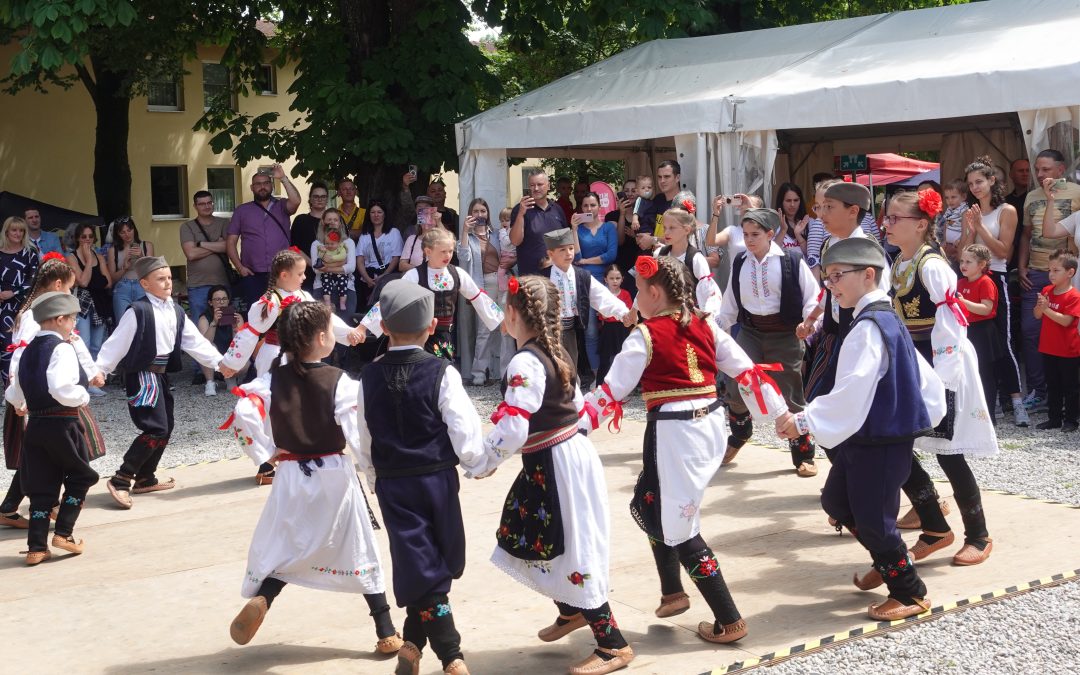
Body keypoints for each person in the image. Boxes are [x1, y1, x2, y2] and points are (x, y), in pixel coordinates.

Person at [582, 255, 786, 644]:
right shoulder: (705, 324)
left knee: (681, 526)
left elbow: (611, 391)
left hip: (676, 433)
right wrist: (779, 414)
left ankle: (730, 618)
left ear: (654, 293)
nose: (634, 298)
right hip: (705, 424)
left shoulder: (644, 335)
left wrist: (574, 431)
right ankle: (672, 591)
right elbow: (747, 371)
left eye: (638, 291)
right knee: (647, 501)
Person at [776, 236, 944, 621]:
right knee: (837, 503)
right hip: (868, 438)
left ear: (868, 275)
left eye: (837, 276)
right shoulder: (880, 319)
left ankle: (909, 592)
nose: (831, 285)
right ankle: (889, 562)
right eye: (828, 277)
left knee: (874, 520)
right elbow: (923, 380)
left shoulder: (870, 327)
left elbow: (851, 392)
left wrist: (802, 421)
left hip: (879, 441)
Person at [223, 301, 401, 654]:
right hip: (334, 474)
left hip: (290, 473)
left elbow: (244, 411)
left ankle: (264, 598)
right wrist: (373, 475)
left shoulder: (270, 380)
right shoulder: (340, 382)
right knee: (358, 544)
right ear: (322, 338)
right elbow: (359, 434)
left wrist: (264, 454)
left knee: (289, 543)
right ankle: (385, 628)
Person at [481, 274, 634, 675]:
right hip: (562, 458)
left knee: (572, 547)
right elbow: (581, 413)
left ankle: (612, 645)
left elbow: (515, 425)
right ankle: (570, 609)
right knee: (533, 535)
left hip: (555, 464)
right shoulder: (558, 353)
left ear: (513, 314)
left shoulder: (525, 360)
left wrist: (482, 461)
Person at [355, 280, 485, 675]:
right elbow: (464, 429)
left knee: (423, 564)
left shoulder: (368, 376)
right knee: (428, 566)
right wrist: (477, 462)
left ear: (386, 329)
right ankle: (452, 655)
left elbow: (362, 437)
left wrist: (375, 476)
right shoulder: (442, 372)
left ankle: (411, 645)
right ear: (432, 328)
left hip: (395, 483)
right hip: (437, 481)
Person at [883, 190, 998, 567]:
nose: (887, 224)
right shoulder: (901, 260)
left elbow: (951, 323)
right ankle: (931, 520)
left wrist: (942, 379)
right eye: (887, 217)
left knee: (950, 453)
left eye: (894, 218)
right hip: (918, 364)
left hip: (942, 365)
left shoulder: (931, 265)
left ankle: (978, 536)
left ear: (920, 224)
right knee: (899, 444)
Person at [95, 257, 236, 509]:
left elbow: (195, 342)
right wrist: (101, 370)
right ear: (145, 284)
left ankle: (145, 477)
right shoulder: (137, 311)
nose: (168, 282)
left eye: (169, 277)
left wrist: (220, 363)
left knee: (166, 426)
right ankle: (121, 479)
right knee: (155, 427)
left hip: (160, 374)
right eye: (161, 279)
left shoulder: (176, 310)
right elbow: (116, 343)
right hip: (141, 375)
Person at [221, 248, 365, 482]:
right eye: (300, 273)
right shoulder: (267, 303)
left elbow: (325, 320)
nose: (304, 277)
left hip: (302, 354)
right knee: (271, 405)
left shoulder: (304, 297)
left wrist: (348, 334)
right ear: (284, 275)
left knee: (303, 403)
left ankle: (303, 446)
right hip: (275, 354)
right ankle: (266, 460)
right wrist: (231, 363)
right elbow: (250, 332)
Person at [1, 254, 104, 530]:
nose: (70, 293)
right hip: (44, 398)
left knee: (43, 452)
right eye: (69, 288)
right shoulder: (38, 316)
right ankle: (42, 506)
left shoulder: (53, 314)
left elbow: (74, 342)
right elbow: (19, 357)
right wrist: (19, 399)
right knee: (49, 452)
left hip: (53, 393)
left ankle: (19, 506)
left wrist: (91, 370)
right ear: (58, 284)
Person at [718, 208, 820, 476]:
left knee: (790, 392)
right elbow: (729, 300)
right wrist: (716, 330)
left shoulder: (791, 260)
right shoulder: (741, 261)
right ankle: (740, 433)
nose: (749, 240)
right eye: (746, 235)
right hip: (750, 332)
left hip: (786, 333)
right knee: (736, 381)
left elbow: (813, 297)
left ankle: (804, 455)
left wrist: (808, 325)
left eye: (755, 234)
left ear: (770, 234)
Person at [799, 182, 890, 408]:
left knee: (854, 402)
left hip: (858, 333)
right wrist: (812, 318)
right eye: (820, 208)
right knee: (818, 400)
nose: (821, 215)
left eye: (829, 207)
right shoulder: (829, 243)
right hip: (833, 333)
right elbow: (828, 291)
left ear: (853, 211)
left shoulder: (868, 249)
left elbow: (882, 294)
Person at [361, 228, 503, 362]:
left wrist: (502, 321)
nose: (448, 256)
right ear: (428, 251)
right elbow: (390, 300)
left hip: (445, 336)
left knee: (442, 372)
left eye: (450, 251)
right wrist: (363, 327)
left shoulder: (457, 273)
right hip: (416, 337)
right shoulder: (414, 274)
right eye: (443, 252)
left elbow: (479, 298)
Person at [957, 156, 1026, 426]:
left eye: (979, 182)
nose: (975, 187)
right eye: (971, 183)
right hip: (969, 278)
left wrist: (980, 227)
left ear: (991, 181)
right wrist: (967, 230)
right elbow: (962, 251)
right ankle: (987, 400)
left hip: (995, 276)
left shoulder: (1006, 210)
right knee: (975, 342)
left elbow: (1003, 252)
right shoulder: (968, 211)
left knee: (1004, 341)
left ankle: (1017, 400)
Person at [1018, 150, 1080, 413]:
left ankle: (1070, 397)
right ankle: (1042, 393)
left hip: (1069, 276)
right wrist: (1021, 266)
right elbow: (1035, 233)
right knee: (1033, 331)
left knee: (1070, 333)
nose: (1040, 174)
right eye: (1038, 169)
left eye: (1046, 169)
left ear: (1061, 169)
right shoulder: (1033, 197)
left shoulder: (1077, 192)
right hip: (1040, 272)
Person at [540, 228, 630, 389]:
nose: (568, 253)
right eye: (562, 250)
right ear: (551, 253)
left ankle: (570, 403)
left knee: (570, 367)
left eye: (571, 248)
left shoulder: (581, 275)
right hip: (547, 331)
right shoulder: (542, 277)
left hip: (570, 330)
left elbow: (601, 296)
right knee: (548, 367)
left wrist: (623, 312)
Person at [227, 165, 301, 308]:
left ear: (272, 186)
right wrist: (240, 267)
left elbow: (296, 201)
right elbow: (230, 243)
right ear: (252, 188)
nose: (262, 187)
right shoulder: (242, 210)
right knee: (256, 315)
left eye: (266, 183)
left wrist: (283, 178)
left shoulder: (282, 205)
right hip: (252, 274)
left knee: (284, 313)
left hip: (281, 272)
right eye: (258, 184)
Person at [956, 245, 1005, 424]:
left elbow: (986, 309)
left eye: (969, 262)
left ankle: (988, 417)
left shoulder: (985, 282)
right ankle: (970, 416)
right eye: (962, 261)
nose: (963, 265)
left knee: (985, 376)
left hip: (983, 332)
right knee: (967, 375)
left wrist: (963, 302)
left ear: (982, 264)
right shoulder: (961, 282)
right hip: (966, 330)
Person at [457, 198, 503, 385]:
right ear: (470, 214)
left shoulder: (498, 234)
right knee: (484, 330)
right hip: (482, 285)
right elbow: (463, 256)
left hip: (501, 282)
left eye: (483, 211)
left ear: (488, 213)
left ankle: (500, 371)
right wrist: (465, 232)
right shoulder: (469, 236)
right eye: (475, 211)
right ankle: (478, 373)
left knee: (503, 329)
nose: (479, 215)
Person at [572, 192, 618, 377]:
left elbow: (611, 255)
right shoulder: (579, 230)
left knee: (611, 328)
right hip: (585, 282)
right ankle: (596, 372)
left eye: (592, 205)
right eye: (585, 206)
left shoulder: (608, 228)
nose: (589, 209)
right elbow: (576, 257)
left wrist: (585, 261)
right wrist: (573, 230)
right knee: (590, 331)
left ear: (599, 207)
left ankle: (613, 372)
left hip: (608, 282)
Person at [1034, 249, 1080, 431]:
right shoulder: (1047, 291)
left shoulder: (1074, 296)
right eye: (1049, 270)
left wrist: (1046, 309)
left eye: (1056, 270)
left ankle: (1071, 420)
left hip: (1068, 349)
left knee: (1070, 387)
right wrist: (1041, 307)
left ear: (1070, 272)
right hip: (1048, 347)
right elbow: (1037, 315)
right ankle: (1054, 418)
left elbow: (1067, 321)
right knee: (1052, 385)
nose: (1051, 274)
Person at [65, 223, 109, 395]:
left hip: (99, 303)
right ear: (77, 238)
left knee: (97, 344)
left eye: (90, 236)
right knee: (84, 343)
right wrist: (90, 261)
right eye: (84, 237)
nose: (87, 240)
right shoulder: (71, 258)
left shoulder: (100, 257)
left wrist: (94, 279)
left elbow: (108, 282)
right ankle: (84, 381)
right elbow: (82, 282)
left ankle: (94, 379)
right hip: (81, 304)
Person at [180, 191, 231, 329]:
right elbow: (191, 254)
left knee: (225, 324)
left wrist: (201, 244)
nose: (206, 206)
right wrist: (217, 244)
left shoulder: (224, 223)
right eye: (202, 204)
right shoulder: (187, 226)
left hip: (222, 283)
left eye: (209, 203)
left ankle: (226, 351)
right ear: (195, 206)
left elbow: (228, 247)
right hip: (198, 285)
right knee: (201, 326)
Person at [509, 172, 571, 275]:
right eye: (532, 185)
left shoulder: (557, 209)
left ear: (548, 186)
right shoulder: (520, 209)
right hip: (531, 277)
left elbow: (564, 243)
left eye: (540, 184)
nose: (536, 188)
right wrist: (521, 214)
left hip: (557, 274)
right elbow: (515, 241)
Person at [0, 217, 39, 380]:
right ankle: (8, 390)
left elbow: (35, 279)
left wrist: (14, 292)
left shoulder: (30, 253)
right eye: (14, 230)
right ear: (6, 231)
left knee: (21, 346)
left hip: (23, 306)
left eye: (21, 230)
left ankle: (21, 388)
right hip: (2, 306)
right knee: (4, 347)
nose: (18, 233)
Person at [197, 285, 246, 396]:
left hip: (230, 354)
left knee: (245, 360)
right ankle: (210, 382)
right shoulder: (204, 318)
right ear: (210, 302)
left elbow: (241, 344)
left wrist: (235, 327)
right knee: (208, 347)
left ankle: (230, 377)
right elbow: (203, 343)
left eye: (224, 299)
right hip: (214, 356)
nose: (221, 302)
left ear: (228, 301)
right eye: (217, 299)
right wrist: (214, 322)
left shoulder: (237, 317)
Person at [355, 199, 403, 310]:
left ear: (384, 214)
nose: (376, 215)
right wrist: (367, 278)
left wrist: (384, 275)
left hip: (387, 276)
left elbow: (396, 257)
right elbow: (360, 260)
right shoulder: (364, 235)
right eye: (373, 212)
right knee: (368, 310)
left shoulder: (394, 233)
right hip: (367, 278)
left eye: (379, 212)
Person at [310, 209, 357, 317]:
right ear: (323, 222)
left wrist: (326, 268)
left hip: (347, 289)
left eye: (335, 220)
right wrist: (342, 263)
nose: (332, 222)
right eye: (329, 219)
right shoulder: (317, 244)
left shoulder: (348, 242)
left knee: (346, 327)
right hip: (321, 288)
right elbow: (316, 269)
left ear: (340, 223)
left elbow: (351, 267)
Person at [106, 216, 153, 322]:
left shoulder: (146, 245)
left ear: (134, 229)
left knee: (144, 324)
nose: (127, 234)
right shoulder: (113, 250)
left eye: (129, 230)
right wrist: (124, 268)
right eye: (122, 232)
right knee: (124, 325)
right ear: (117, 234)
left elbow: (152, 272)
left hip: (142, 285)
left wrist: (141, 256)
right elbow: (112, 278)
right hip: (122, 288)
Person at [596, 265, 632, 385]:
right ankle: (600, 384)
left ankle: (623, 384)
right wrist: (607, 316)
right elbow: (601, 315)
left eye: (617, 278)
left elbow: (628, 312)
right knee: (605, 358)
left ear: (622, 279)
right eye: (611, 278)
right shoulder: (603, 294)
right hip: (608, 329)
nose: (615, 281)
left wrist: (609, 315)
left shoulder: (625, 294)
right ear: (606, 279)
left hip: (622, 330)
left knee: (622, 356)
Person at [291, 182, 329, 292]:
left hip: (332, 273)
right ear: (310, 199)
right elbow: (294, 248)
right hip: (306, 274)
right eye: (316, 196)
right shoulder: (301, 220)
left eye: (323, 196)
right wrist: (314, 264)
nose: (320, 199)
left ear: (327, 199)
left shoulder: (335, 220)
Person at [399, 194, 439, 274]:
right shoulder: (411, 237)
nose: (424, 211)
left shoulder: (441, 239)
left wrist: (439, 222)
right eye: (420, 208)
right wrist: (421, 270)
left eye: (427, 208)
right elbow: (401, 266)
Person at [937, 180, 970, 266]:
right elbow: (946, 225)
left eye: (953, 197)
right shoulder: (949, 210)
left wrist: (960, 242)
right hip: (948, 244)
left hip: (958, 244)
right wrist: (944, 240)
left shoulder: (964, 210)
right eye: (947, 198)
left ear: (963, 197)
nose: (949, 200)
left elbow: (966, 230)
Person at [774, 182, 809, 251]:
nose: (792, 204)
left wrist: (798, 235)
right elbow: (772, 251)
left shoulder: (810, 222)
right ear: (781, 202)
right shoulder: (772, 224)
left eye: (796, 200)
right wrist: (783, 230)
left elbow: (810, 254)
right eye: (788, 200)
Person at [336, 177, 366, 242]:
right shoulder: (333, 214)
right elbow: (330, 234)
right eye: (344, 189)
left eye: (351, 189)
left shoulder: (364, 213)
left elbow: (366, 233)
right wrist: (358, 232)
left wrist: (341, 233)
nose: (348, 192)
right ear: (339, 193)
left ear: (356, 191)